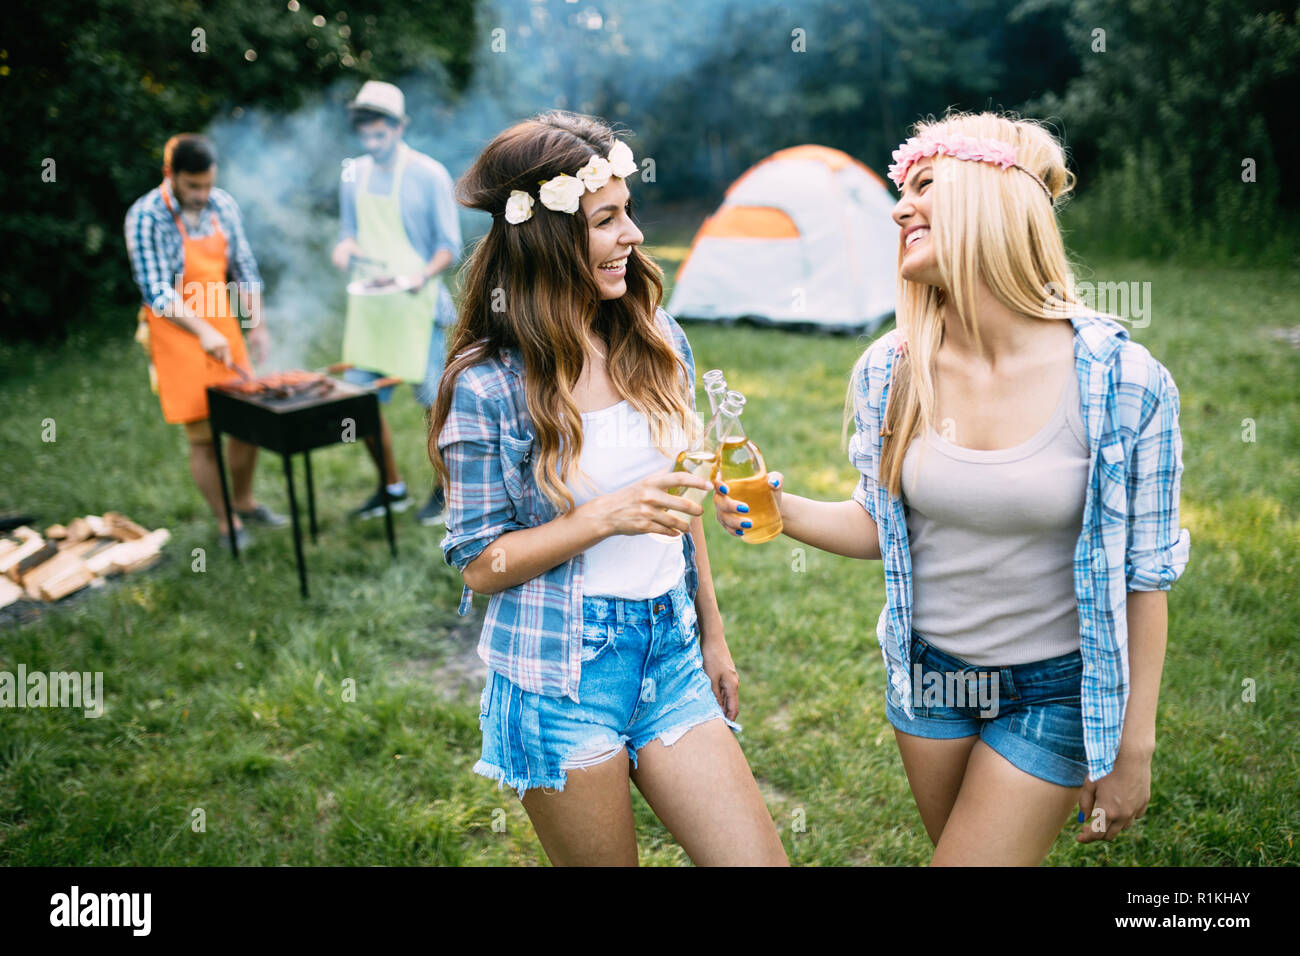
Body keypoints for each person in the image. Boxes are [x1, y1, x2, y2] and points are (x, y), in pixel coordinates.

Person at [713, 111, 1190, 865]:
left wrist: (1136, 745)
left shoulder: (1123, 383)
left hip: (1055, 690)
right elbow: (880, 524)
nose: (899, 208)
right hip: (930, 684)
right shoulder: (891, 370)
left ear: (994, 201)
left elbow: (1147, 574)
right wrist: (781, 509)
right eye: (903, 192)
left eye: (924, 186)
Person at [429, 111, 788, 866]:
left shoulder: (655, 335)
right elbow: (479, 564)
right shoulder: (489, 386)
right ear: (549, 238)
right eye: (607, 218)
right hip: (560, 677)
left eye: (628, 212)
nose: (633, 234)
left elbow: (681, 500)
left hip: (668, 654)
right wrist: (602, 517)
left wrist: (712, 635)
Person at [125, 133, 287, 550]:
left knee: (246, 422)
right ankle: (225, 521)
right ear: (170, 175)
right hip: (177, 333)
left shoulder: (223, 205)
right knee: (203, 433)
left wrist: (257, 324)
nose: (201, 194)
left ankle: (246, 501)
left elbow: (244, 268)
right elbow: (157, 292)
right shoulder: (145, 217)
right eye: (192, 186)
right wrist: (202, 332)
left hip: (222, 324)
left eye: (207, 185)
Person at [331, 80, 462, 526]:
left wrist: (419, 275)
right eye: (364, 121)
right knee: (358, 400)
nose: (372, 129)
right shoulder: (352, 174)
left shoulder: (428, 174)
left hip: (417, 304)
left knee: (434, 402)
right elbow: (349, 231)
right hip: (371, 308)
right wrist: (344, 248)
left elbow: (450, 247)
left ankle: (446, 491)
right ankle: (391, 488)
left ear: (399, 124)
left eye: (380, 121)